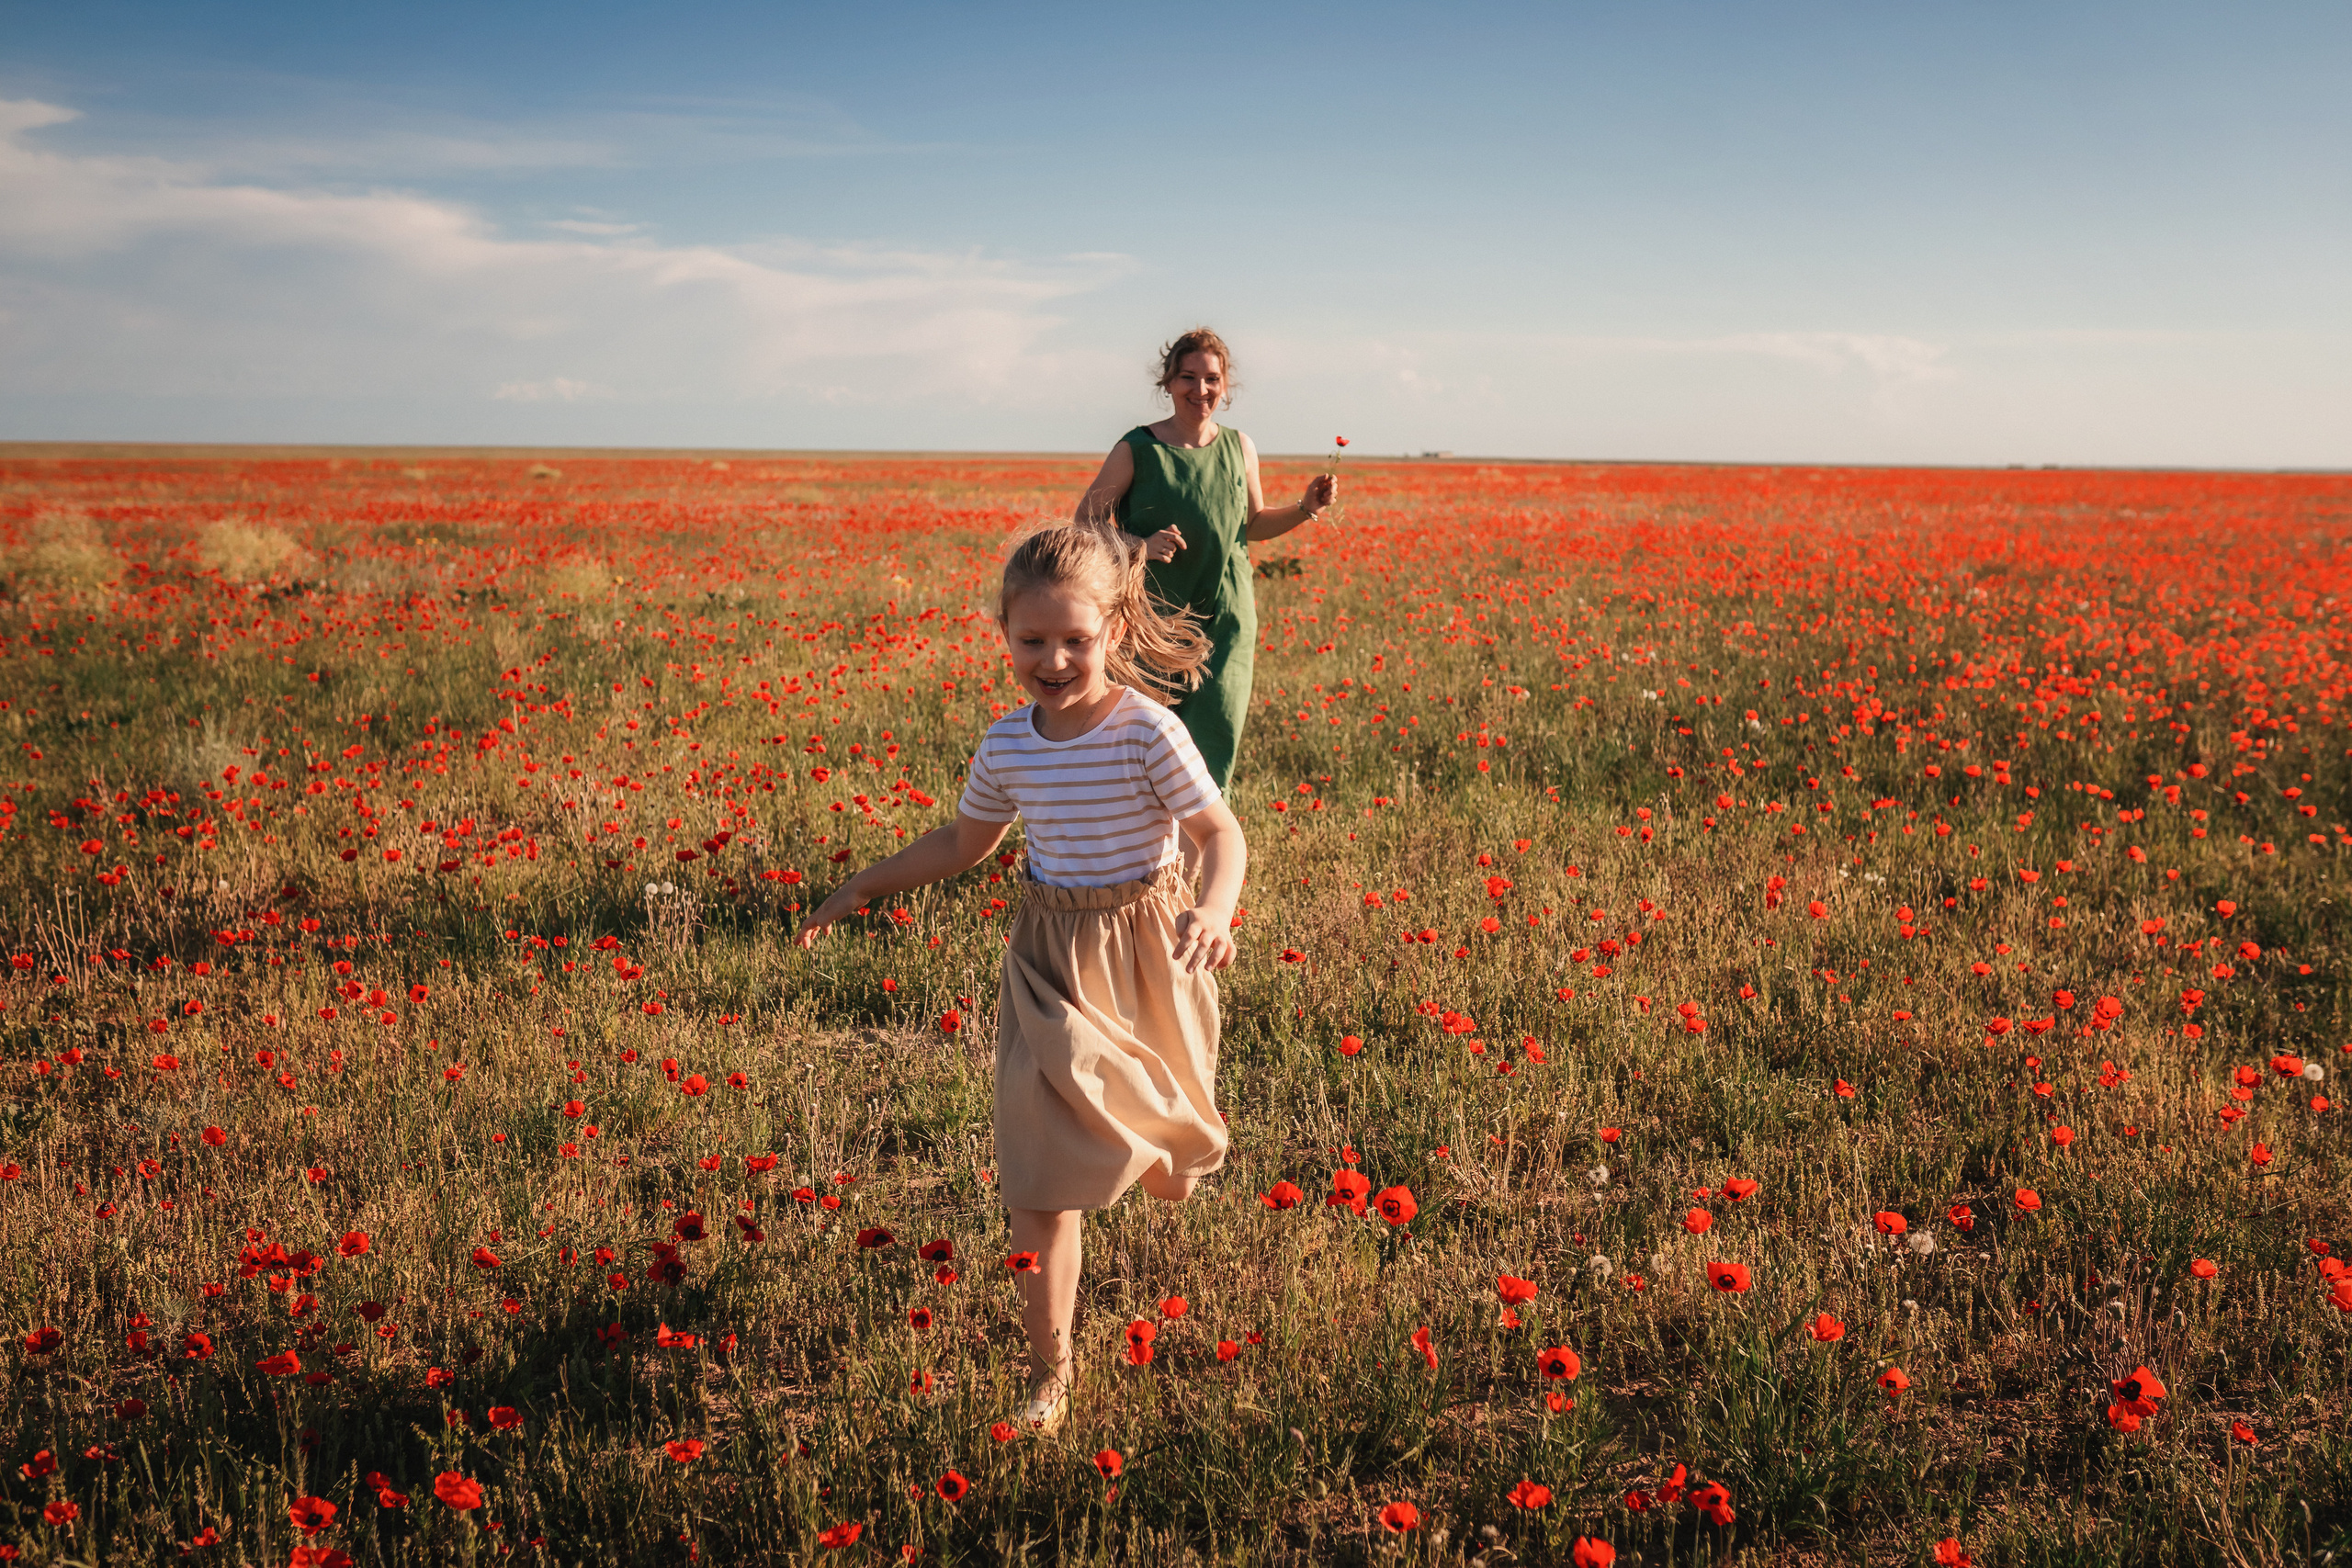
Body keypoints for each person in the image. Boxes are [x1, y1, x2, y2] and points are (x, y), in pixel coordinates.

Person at [793, 520, 1247, 1436]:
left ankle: (1153, 1151)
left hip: (1149, 959)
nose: (1052, 659)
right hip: (1047, 967)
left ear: (1113, 632)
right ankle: (1051, 1374)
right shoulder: (1010, 745)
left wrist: (1213, 910)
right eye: (1030, 640)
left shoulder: (1146, 732)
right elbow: (965, 843)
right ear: (1002, 632)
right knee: (1036, 1185)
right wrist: (859, 885)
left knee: (1163, 1156)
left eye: (1074, 640)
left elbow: (1218, 835)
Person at [1076, 327, 1337, 829]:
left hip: (1227, 618)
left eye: (1212, 379)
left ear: (1226, 385)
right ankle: (1139, 847)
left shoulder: (1240, 447)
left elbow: (1253, 524)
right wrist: (1138, 545)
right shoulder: (1137, 449)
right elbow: (1085, 524)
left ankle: (1195, 863)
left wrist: (1306, 508)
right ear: (1168, 384)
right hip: (1151, 620)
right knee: (1146, 737)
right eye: (1188, 378)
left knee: (1214, 738)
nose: (1201, 390)